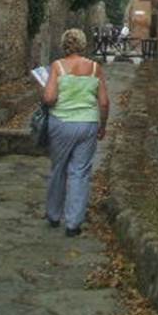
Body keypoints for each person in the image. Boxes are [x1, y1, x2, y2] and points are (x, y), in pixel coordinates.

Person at [41, 28, 109, 236]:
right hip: (87, 124)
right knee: (80, 172)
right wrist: (102, 125)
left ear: (64, 44)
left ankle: (53, 215)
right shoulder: (95, 68)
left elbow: (50, 98)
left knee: (58, 168)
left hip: (61, 123)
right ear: (83, 44)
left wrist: (45, 89)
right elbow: (104, 102)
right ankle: (73, 224)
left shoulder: (57, 66)